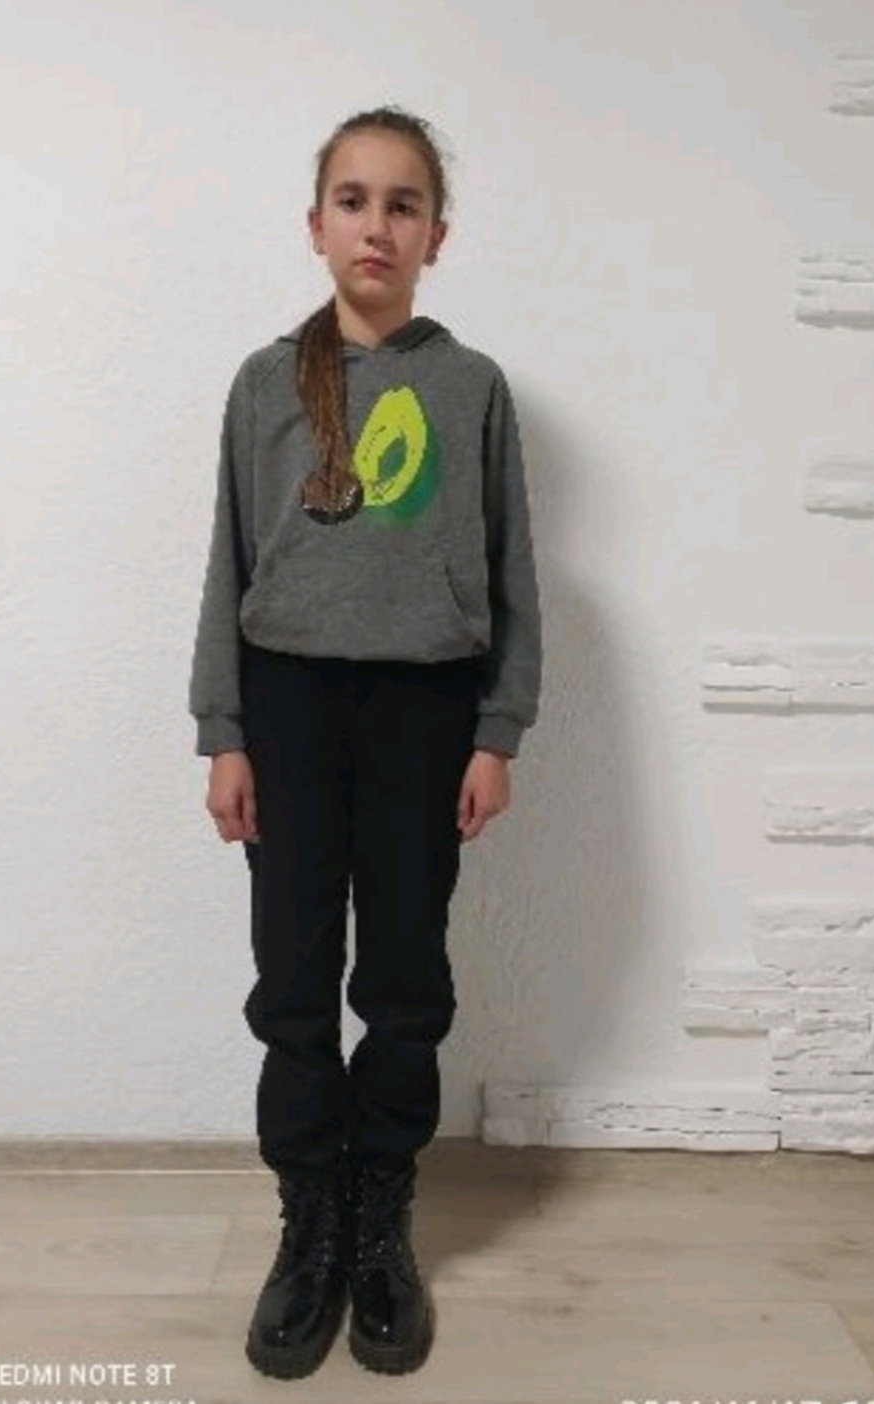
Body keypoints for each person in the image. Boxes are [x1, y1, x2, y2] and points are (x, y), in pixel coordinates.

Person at [188, 105, 542, 1381]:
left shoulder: (472, 388)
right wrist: (224, 731)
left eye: (403, 204)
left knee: (401, 978)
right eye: (353, 200)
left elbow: (511, 577)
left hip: (422, 715)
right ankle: (310, 1221)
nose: (376, 225)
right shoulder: (262, 386)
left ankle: (380, 1215)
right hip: (286, 707)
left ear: (437, 234)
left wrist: (496, 729)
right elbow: (229, 563)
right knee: (292, 976)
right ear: (316, 225)